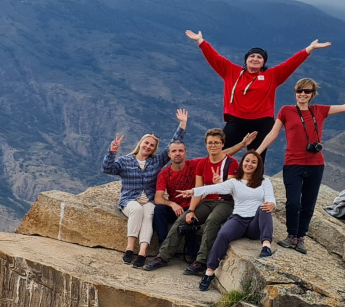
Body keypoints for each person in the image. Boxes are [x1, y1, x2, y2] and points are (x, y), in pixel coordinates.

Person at [256, 78, 345, 253]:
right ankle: (291, 235)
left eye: (307, 91)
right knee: (293, 203)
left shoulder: (319, 110)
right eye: (300, 91)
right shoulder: (286, 111)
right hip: (293, 163)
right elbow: (273, 134)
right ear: (295, 92)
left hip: (316, 165)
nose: (303, 94)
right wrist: (257, 152)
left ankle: (301, 238)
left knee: (309, 203)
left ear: (312, 94)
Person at [185, 30, 330, 145]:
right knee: (222, 151)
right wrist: (201, 42)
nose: (255, 59)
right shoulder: (231, 71)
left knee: (256, 155)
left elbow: (290, 64)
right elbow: (214, 57)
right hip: (236, 120)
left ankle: (254, 182)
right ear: (246, 60)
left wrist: (308, 49)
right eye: (252, 56)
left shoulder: (272, 76)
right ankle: (220, 181)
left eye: (259, 57)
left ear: (263, 62)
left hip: (262, 122)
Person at [144, 126, 255, 272]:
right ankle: (162, 257)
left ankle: (201, 261)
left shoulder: (231, 163)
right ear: (206, 144)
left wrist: (219, 185)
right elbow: (198, 190)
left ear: (222, 144)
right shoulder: (202, 164)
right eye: (210, 143)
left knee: (212, 220)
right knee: (182, 220)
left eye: (216, 142)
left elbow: (231, 189)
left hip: (226, 202)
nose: (213, 145)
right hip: (207, 201)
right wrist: (190, 210)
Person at [102, 109, 188, 265]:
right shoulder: (125, 161)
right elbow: (107, 169)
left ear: (154, 149)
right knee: (137, 209)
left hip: (149, 199)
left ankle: (142, 252)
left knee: (149, 213)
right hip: (130, 200)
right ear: (140, 143)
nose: (148, 146)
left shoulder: (156, 162)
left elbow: (172, 146)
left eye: (152, 145)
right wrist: (112, 150)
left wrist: (182, 124)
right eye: (146, 143)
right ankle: (129, 249)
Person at [189, 150, 277, 291]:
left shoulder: (264, 182)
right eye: (247, 161)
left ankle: (266, 246)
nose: (249, 164)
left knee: (264, 208)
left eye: (254, 162)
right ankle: (209, 272)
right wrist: (193, 191)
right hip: (238, 219)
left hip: (255, 223)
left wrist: (272, 204)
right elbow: (215, 188)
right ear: (242, 163)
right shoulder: (234, 182)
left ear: (258, 166)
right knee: (223, 234)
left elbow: (270, 198)